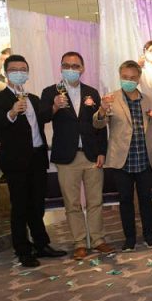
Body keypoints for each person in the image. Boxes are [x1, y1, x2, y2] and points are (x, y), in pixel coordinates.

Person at [0, 55, 66, 267]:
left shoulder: (32, 98)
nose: (19, 73)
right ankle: (23, 249)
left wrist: (54, 107)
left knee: (37, 205)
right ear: (6, 72)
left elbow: (43, 118)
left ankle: (41, 244)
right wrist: (12, 112)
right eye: (14, 69)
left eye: (23, 69)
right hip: (16, 161)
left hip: (37, 157)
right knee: (20, 207)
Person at [40, 52, 113, 260]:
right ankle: (79, 242)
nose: (71, 69)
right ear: (61, 68)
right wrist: (55, 106)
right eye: (66, 65)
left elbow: (100, 124)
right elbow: (42, 117)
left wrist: (102, 151)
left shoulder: (91, 92)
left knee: (95, 201)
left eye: (75, 66)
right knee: (72, 203)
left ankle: (98, 239)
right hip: (66, 157)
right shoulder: (50, 92)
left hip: (91, 154)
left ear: (82, 68)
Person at [94, 60, 152, 252]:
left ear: (138, 79)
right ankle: (129, 238)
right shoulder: (111, 99)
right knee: (125, 200)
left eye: (132, 78)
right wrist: (102, 110)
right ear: (120, 77)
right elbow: (98, 124)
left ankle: (149, 235)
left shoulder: (149, 100)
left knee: (146, 199)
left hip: (144, 158)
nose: (129, 81)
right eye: (125, 77)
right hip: (122, 159)